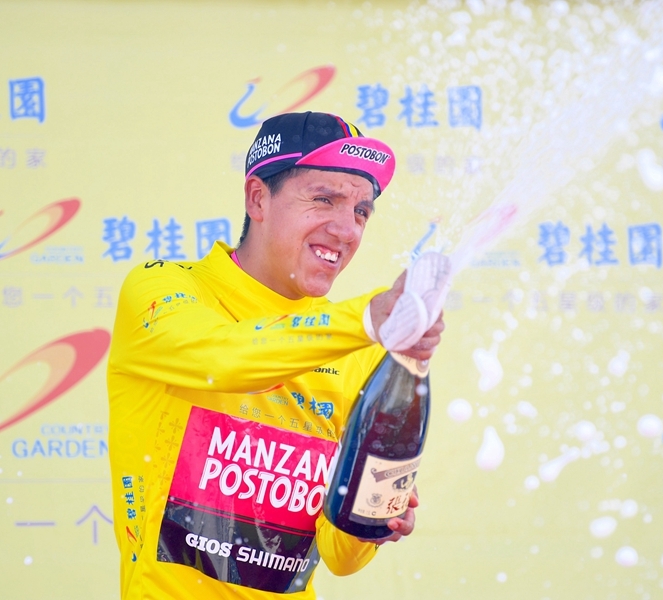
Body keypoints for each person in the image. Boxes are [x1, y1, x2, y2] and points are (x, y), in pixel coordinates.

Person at [107, 111, 445, 599]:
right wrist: (369, 320)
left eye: (361, 211)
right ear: (257, 198)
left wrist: (372, 512)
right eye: (324, 199)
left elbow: (339, 557)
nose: (347, 230)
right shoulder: (161, 289)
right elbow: (221, 361)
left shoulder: (358, 348)